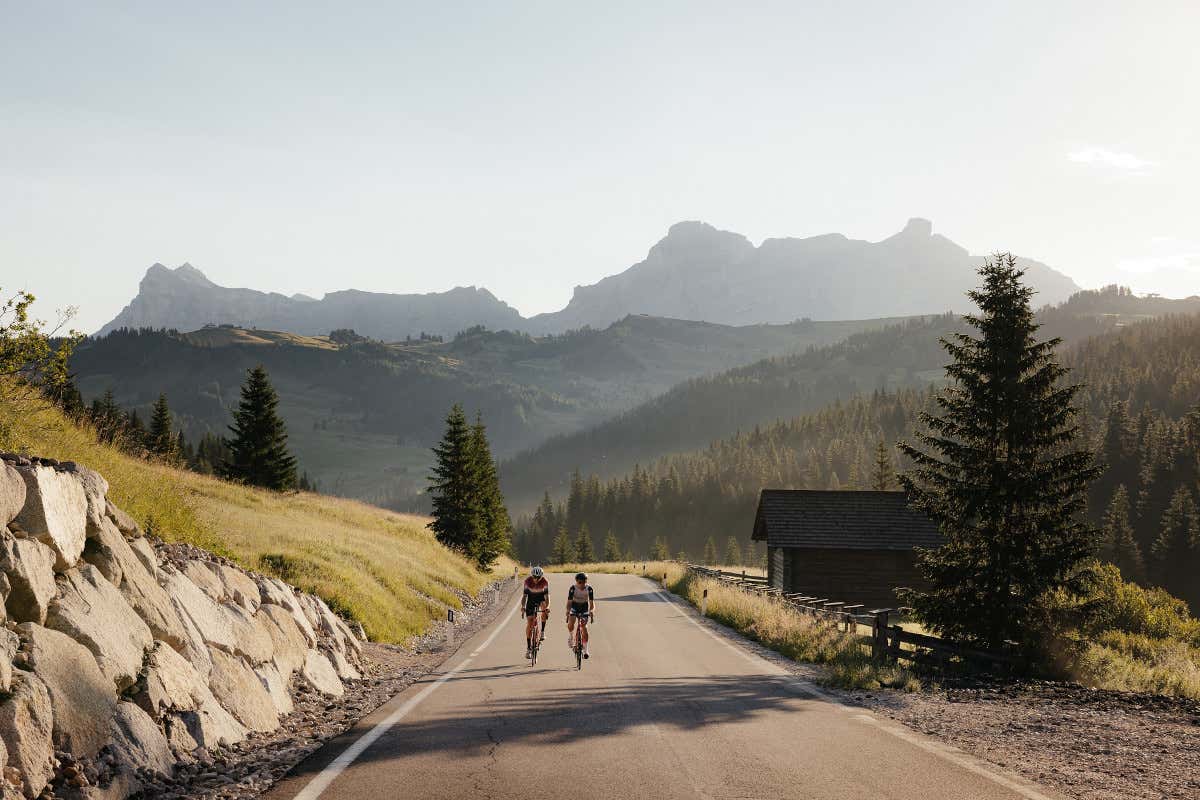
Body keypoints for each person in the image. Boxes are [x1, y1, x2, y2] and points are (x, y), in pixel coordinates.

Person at [521, 566, 550, 659]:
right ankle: (529, 648)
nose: (536, 579)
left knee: (544, 609)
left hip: (541, 599)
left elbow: (547, 597)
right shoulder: (527, 581)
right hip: (531, 600)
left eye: (539, 578)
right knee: (530, 623)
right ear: (532, 576)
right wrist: (523, 606)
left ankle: (542, 631)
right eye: (534, 577)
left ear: (541, 576)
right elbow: (525, 596)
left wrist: (547, 607)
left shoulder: (545, 582)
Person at [565, 571, 595, 659]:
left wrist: (592, 610)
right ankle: (571, 637)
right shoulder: (572, 588)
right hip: (574, 606)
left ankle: (586, 650)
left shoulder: (589, 589)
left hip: (584, 607)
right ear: (576, 582)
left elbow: (592, 603)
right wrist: (567, 610)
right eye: (579, 582)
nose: (582, 584)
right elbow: (569, 602)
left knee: (584, 627)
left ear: (586, 582)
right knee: (571, 622)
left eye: (584, 582)